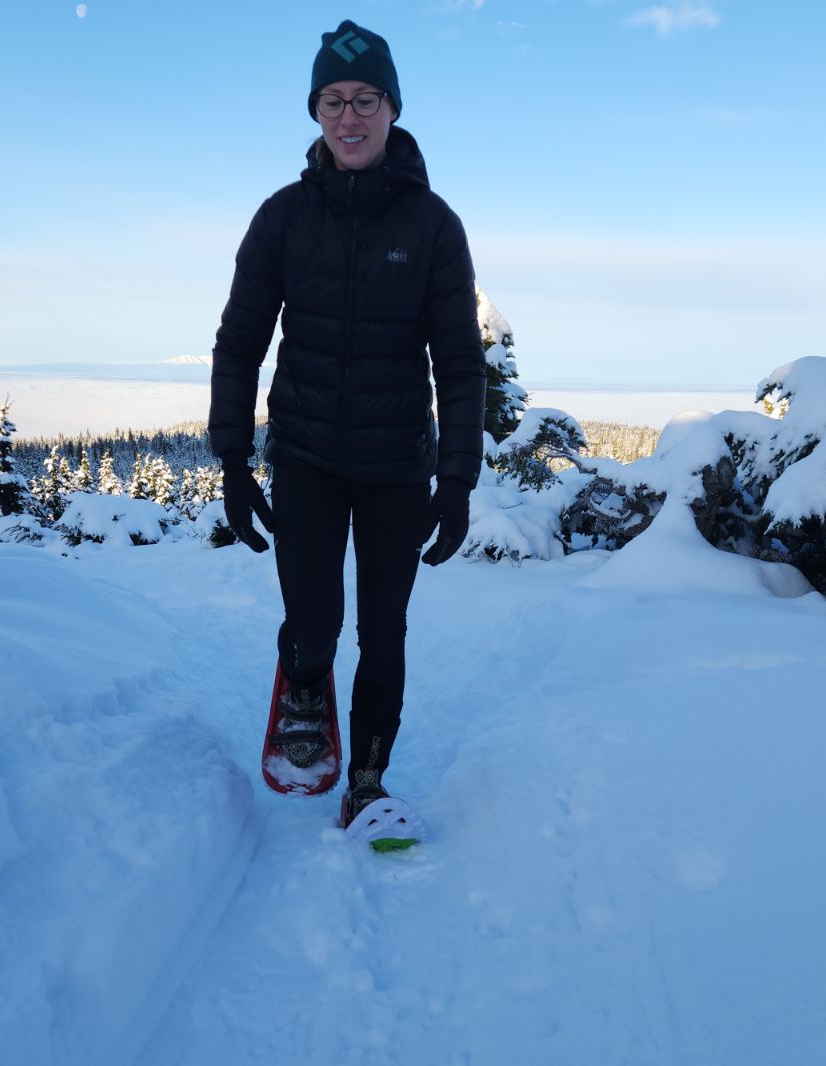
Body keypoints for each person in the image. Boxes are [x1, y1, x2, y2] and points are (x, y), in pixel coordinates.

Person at [208, 19, 486, 830]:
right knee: (314, 619)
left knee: (385, 631)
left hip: (398, 463)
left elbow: (460, 363)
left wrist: (458, 479)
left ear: (393, 109)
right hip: (306, 458)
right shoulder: (283, 217)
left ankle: (368, 775)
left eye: (366, 99)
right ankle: (302, 683)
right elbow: (240, 340)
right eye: (333, 100)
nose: (349, 116)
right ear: (316, 112)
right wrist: (232, 459)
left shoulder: (433, 226)